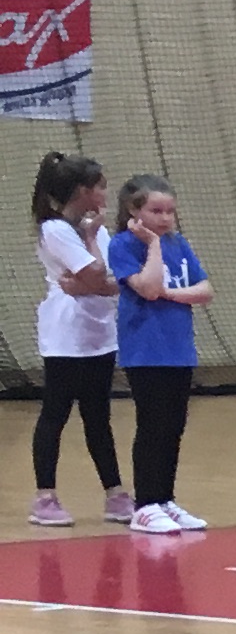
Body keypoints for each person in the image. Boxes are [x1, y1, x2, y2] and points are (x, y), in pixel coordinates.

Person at [104, 174, 216, 533]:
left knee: (173, 427)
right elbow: (148, 288)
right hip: (145, 351)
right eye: (156, 211)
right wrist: (152, 244)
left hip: (179, 350)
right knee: (152, 426)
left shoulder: (178, 243)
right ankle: (146, 505)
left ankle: (165, 499)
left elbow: (204, 289)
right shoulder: (122, 245)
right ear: (133, 210)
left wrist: (170, 294)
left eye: (170, 211)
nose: (165, 218)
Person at [29, 150, 124, 526]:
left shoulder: (96, 228)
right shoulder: (55, 229)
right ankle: (45, 498)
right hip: (66, 333)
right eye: (100, 186)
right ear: (83, 190)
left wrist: (92, 282)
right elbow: (98, 272)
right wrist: (94, 271)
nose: (105, 192)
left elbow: (113, 280)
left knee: (98, 415)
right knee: (56, 412)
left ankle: (115, 494)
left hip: (100, 330)